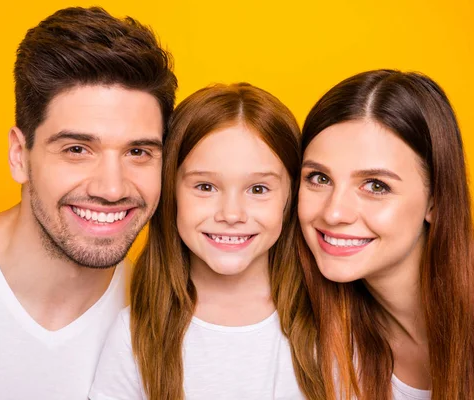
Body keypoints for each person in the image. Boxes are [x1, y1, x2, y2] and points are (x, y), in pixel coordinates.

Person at [0, 6, 177, 399]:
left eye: (138, 152)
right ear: (20, 155)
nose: (112, 187)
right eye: (76, 148)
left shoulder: (160, 324)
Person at [89, 83, 327, 399]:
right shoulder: (133, 335)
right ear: (170, 191)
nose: (231, 214)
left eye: (258, 189)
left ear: (291, 197)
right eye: (205, 187)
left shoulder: (331, 328)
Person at [297, 69, 474, 399]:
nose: (334, 213)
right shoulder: (312, 343)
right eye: (319, 178)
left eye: (376, 186)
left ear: (435, 200)